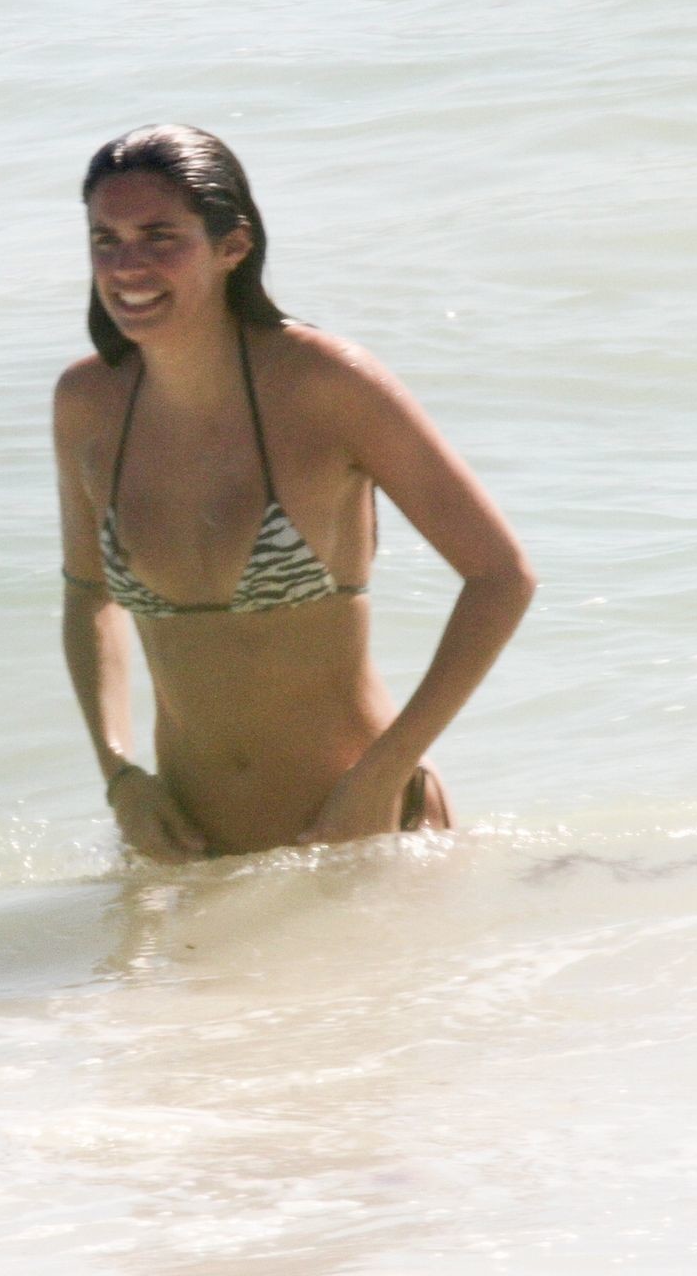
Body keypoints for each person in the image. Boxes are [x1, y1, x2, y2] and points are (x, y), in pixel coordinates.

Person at [55, 125, 535, 861]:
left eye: (159, 237)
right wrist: (119, 777)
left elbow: (501, 577)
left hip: (357, 836)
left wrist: (383, 774)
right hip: (188, 853)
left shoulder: (326, 384)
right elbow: (88, 595)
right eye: (105, 240)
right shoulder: (88, 402)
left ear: (233, 246)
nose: (127, 265)